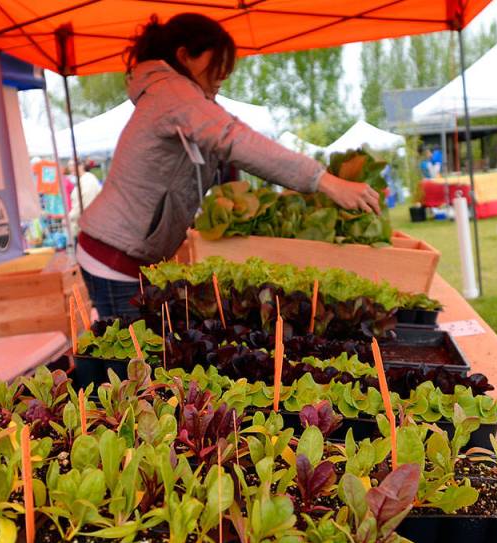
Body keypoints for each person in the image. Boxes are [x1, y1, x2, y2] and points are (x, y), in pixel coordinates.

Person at [76, 13, 380, 319]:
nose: (224, 73)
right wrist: (324, 181)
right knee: (126, 358)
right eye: (217, 61)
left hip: (124, 253)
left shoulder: (177, 94)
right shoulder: (173, 93)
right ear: (184, 56)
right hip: (114, 256)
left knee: (132, 354)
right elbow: (233, 138)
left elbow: (230, 142)